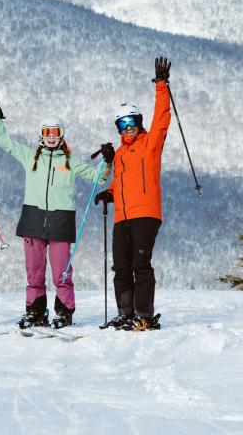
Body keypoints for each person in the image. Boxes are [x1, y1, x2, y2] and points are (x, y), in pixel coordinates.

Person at [0, 95, 112, 328]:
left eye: (54, 132)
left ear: (61, 135)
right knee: (34, 271)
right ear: (40, 135)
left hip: (60, 222)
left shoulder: (71, 161)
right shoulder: (30, 155)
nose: (50, 137)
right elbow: (3, 140)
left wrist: (107, 162)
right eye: (46, 132)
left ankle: (64, 312)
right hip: (33, 220)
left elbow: (98, 177)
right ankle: (36, 312)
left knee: (61, 272)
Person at [94, 56, 172, 332]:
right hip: (121, 217)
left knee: (141, 264)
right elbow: (121, 183)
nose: (128, 127)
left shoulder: (150, 144)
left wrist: (161, 85)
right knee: (121, 268)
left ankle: (144, 315)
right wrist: (109, 193)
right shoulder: (120, 154)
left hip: (146, 214)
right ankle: (125, 313)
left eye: (131, 121)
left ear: (138, 121)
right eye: (122, 124)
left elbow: (162, 118)